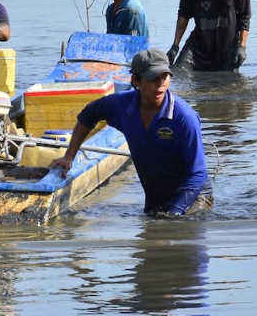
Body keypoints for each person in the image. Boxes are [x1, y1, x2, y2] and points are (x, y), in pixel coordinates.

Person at [49, 49, 207, 215]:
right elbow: (88, 115)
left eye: (164, 77)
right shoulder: (121, 106)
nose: (160, 83)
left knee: (170, 232)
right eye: (153, 77)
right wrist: (69, 157)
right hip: (156, 198)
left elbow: (198, 173)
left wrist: (176, 212)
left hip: (192, 196)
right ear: (135, 80)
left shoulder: (184, 117)